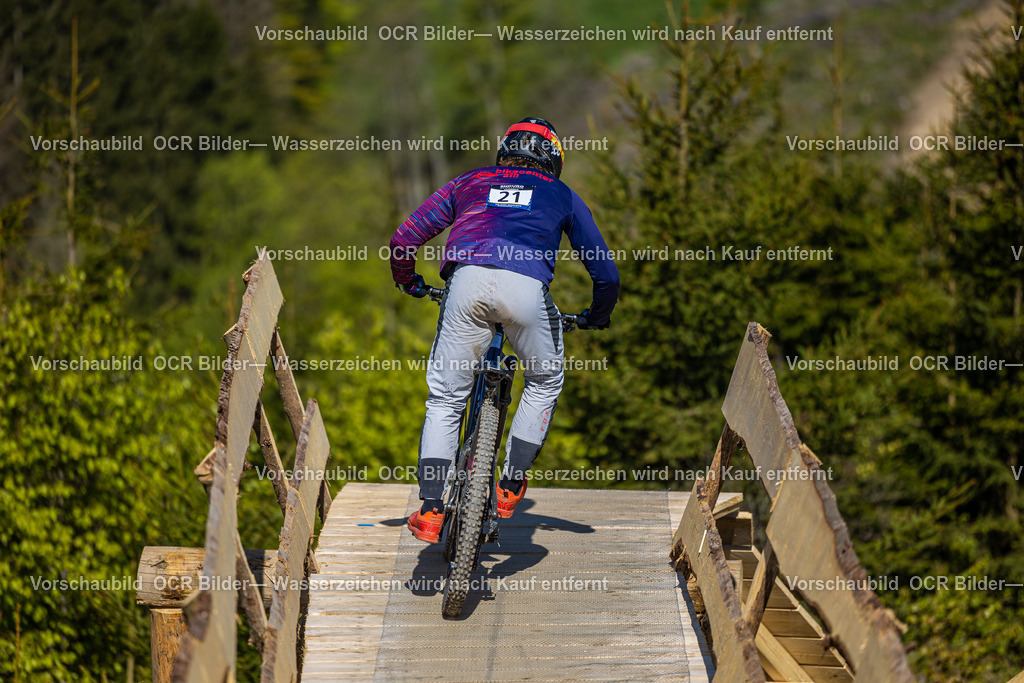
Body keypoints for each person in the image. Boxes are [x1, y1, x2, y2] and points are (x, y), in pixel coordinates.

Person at [389, 117, 619, 543]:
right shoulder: (562, 195)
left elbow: (404, 237)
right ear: (553, 159)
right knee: (545, 379)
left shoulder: (469, 182)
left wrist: (408, 280)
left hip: (465, 285)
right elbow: (606, 273)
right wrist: (596, 315)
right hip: (527, 290)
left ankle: (432, 509)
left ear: (506, 149)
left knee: (444, 397)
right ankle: (510, 484)